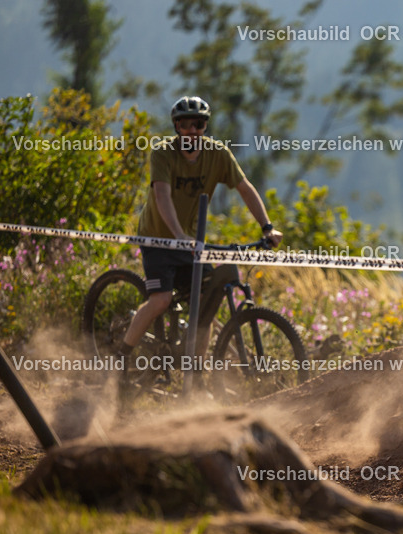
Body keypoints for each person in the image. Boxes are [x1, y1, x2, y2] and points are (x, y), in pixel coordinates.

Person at [118, 95, 281, 386]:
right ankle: (121, 357)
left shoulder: (218, 154)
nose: (192, 130)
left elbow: (245, 188)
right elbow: (162, 195)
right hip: (158, 239)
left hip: (189, 242)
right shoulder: (162, 153)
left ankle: (194, 377)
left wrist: (267, 227)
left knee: (207, 301)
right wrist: (178, 236)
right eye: (185, 124)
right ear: (176, 127)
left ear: (205, 126)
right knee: (161, 300)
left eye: (199, 124)